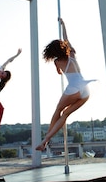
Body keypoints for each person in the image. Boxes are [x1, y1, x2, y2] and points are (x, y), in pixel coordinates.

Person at [36, 18, 94, 151]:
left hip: (73, 88)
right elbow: (66, 39)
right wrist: (63, 25)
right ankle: (45, 141)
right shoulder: (72, 54)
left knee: (59, 111)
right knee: (65, 114)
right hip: (85, 88)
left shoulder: (57, 62)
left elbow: (59, 73)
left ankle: (45, 140)